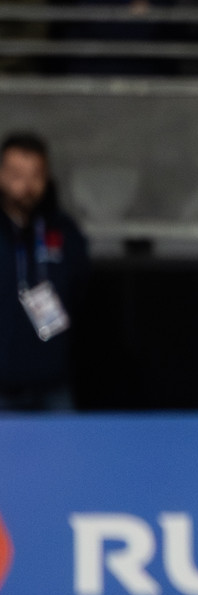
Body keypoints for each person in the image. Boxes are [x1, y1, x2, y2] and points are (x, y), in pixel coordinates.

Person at [0, 133, 88, 411]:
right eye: (16, 174)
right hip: (2, 386)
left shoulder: (63, 230)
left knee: (66, 452)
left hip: (53, 384)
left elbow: (80, 289)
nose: (26, 185)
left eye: (35, 175)